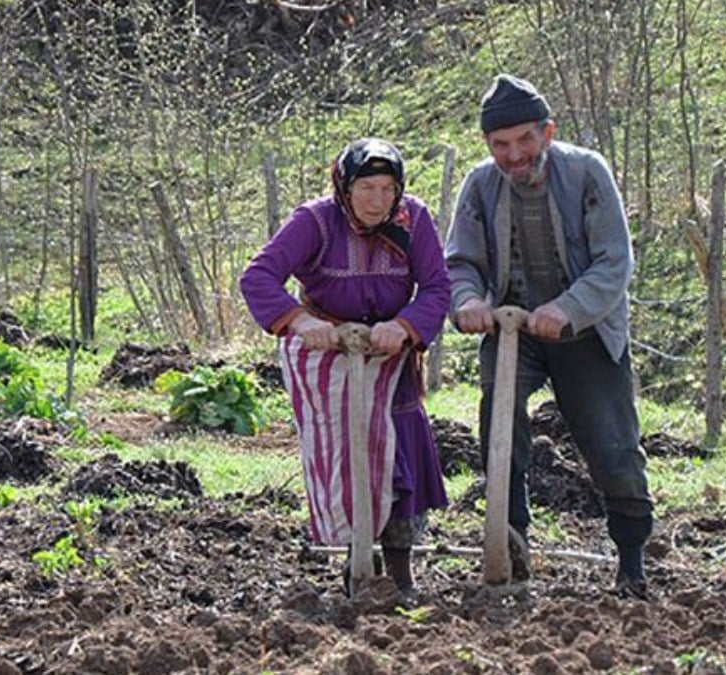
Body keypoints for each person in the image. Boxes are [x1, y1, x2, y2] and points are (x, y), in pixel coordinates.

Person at [444, 74, 653, 599]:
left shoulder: (586, 172)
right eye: (500, 144)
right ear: (487, 144)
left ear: (548, 132)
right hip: (512, 329)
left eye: (524, 140)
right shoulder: (479, 185)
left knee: (613, 446)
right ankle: (510, 539)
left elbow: (614, 261)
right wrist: (468, 301)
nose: (514, 155)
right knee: (499, 421)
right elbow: (461, 262)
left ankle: (631, 563)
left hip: (585, 329)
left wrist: (567, 308)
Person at [240, 138, 450, 596]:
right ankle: (359, 559)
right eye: (366, 188)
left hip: (391, 356)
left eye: (387, 189)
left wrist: (404, 326)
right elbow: (258, 276)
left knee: (401, 453)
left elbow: (437, 286)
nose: (377, 201)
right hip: (330, 351)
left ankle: (400, 572)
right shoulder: (315, 221)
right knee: (349, 456)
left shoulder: (413, 220)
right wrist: (301, 321)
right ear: (345, 188)